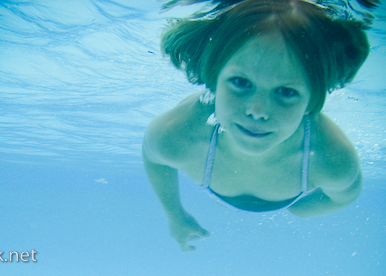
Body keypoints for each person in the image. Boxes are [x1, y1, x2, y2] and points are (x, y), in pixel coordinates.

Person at [142, 0, 370, 251]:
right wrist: (176, 216)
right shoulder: (178, 133)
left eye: (286, 91)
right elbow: (153, 157)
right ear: (213, 77)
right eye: (240, 82)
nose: (257, 111)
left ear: (311, 101)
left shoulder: (331, 159)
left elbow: (345, 195)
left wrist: (300, 211)